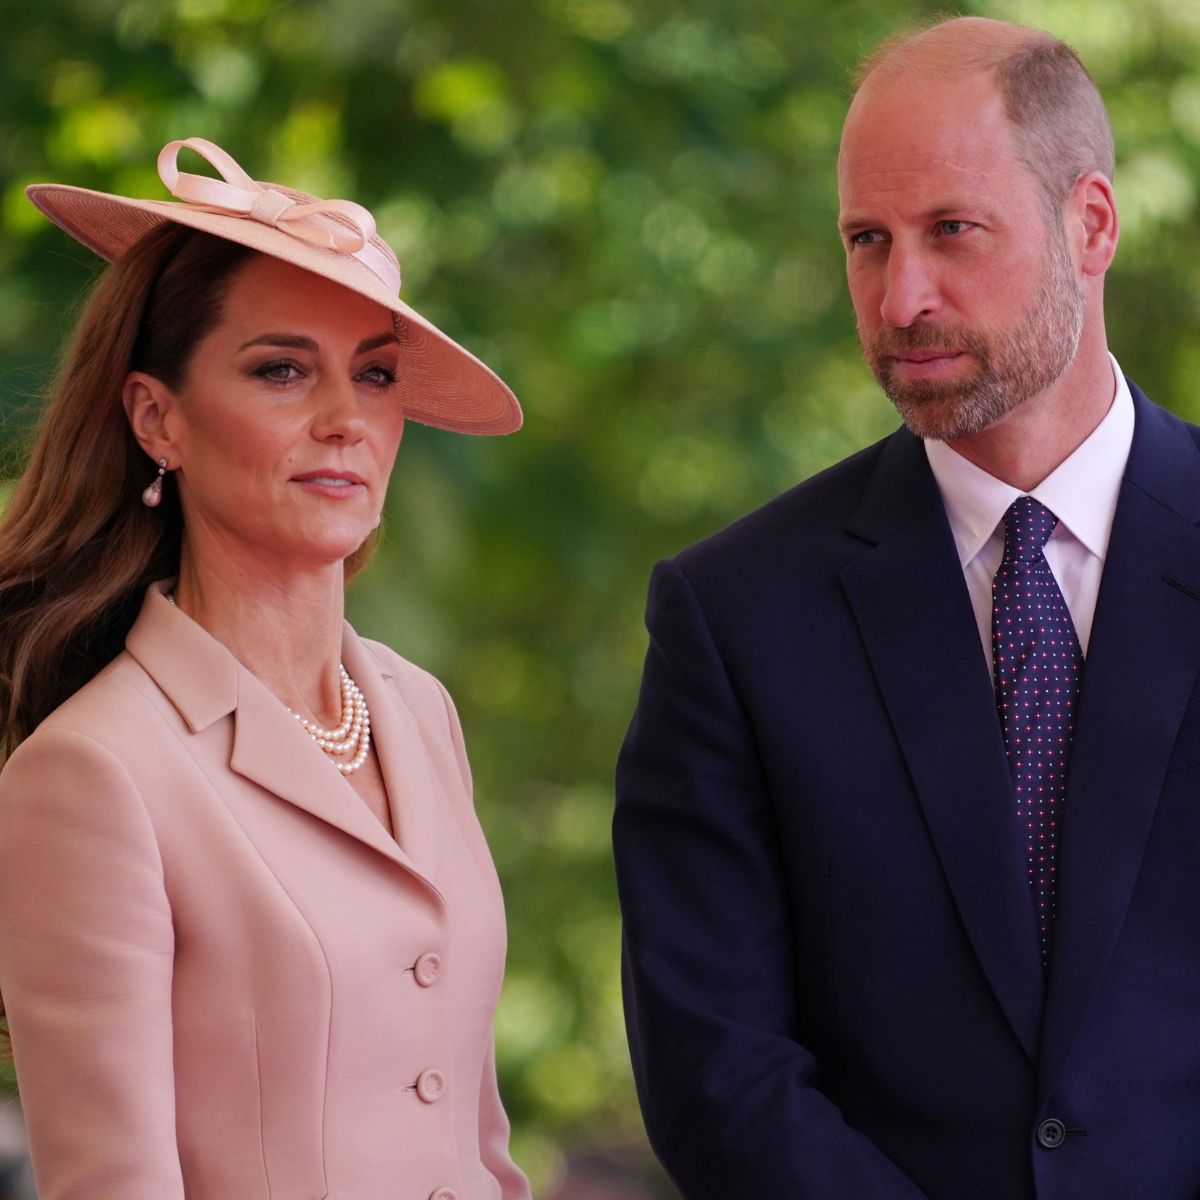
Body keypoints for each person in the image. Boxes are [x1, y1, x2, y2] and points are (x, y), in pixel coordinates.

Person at [614, 16, 1200, 1200]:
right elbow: (712, 1060)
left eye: (952, 232)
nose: (901, 297)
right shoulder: (731, 616)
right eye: (867, 242)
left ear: (1091, 224)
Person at [0, 137, 530, 1200]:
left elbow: (477, 1144)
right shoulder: (92, 773)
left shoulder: (420, 711)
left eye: (374, 375)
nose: (346, 419)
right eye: (282, 369)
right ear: (158, 418)